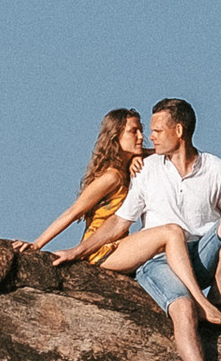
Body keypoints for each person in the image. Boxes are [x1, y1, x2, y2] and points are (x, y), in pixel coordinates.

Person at [93, 97, 221, 361]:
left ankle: (219, 290)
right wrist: (77, 252)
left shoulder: (217, 168)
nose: (149, 137)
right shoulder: (147, 169)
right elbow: (118, 223)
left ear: (178, 130)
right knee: (183, 309)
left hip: (199, 255)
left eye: (156, 130)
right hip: (160, 263)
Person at [21, 109, 146, 265]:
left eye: (141, 130)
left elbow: (167, 151)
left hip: (119, 244)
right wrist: (37, 244)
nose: (141, 136)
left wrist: (138, 156)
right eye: (133, 131)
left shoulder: (128, 167)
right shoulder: (112, 177)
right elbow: (73, 212)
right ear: (115, 136)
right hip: (100, 248)